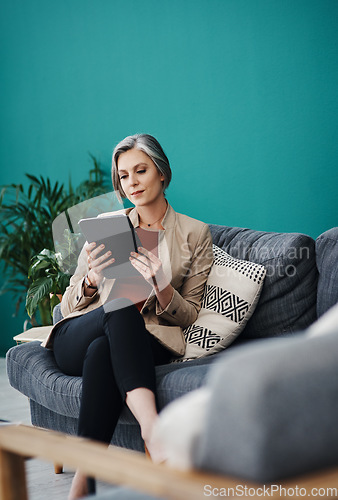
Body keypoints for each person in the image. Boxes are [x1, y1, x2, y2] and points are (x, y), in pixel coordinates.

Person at [43, 134, 213, 499]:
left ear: (162, 173)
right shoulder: (108, 225)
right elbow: (70, 304)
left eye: (141, 170)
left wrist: (162, 285)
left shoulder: (195, 234)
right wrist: (90, 280)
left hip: (144, 341)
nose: (131, 182)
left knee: (103, 353)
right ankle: (153, 431)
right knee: (114, 312)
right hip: (80, 333)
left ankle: (83, 480)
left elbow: (191, 315)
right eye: (123, 176)